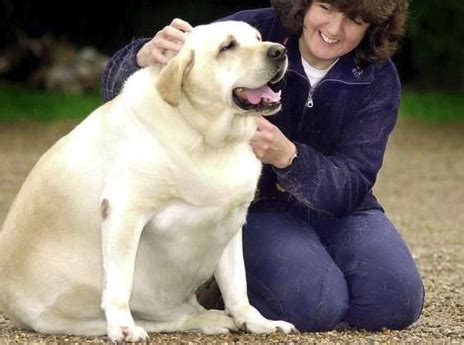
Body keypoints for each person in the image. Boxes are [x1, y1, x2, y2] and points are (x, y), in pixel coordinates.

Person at [101, 0, 424, 332]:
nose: (333, 28)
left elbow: (353, 182)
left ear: (374, 26)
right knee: (317, 306)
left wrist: (288, 157)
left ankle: (293, 275)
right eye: (325, 7)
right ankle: (234, 284)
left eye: (355, 20)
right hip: (257, 209)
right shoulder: (250, 32)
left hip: (341, 208)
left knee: (397, 302)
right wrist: (141, 58)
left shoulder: (379, 78)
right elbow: (116, 91)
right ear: (304, 4)